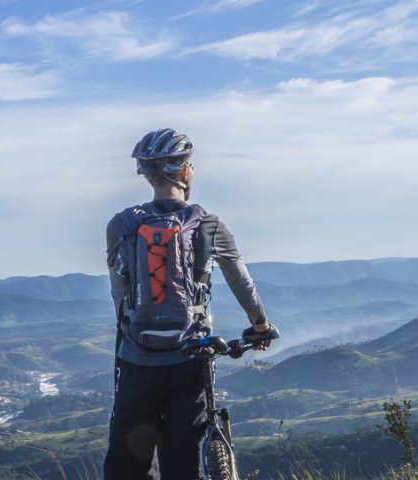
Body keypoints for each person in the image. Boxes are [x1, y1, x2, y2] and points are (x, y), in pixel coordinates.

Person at [104, 128, 274, 479]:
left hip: (136, 361)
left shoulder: (120, 225)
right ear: (185, 171)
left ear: (148, 175)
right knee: (182, 462)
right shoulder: (208, 224)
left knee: (126, 463)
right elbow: (242, 283)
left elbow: (119, 294)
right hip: (190, 361)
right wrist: (260, 326)